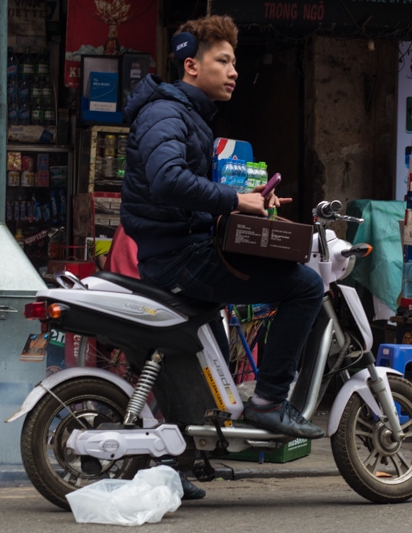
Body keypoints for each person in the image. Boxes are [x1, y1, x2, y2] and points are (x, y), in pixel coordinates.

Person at [121, 15, 325, 442]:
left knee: (211, 373)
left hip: (179, 250)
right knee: (304, 285)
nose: (234, 72)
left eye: (234, 63)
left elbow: (181, 193)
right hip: (179, 257)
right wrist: (235, 200)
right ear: (191, 65)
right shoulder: (166, 112)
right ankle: (269, 400)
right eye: (224, 61)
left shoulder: (184, 113)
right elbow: (167, 180)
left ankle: (178, 458)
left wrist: (248, 199)